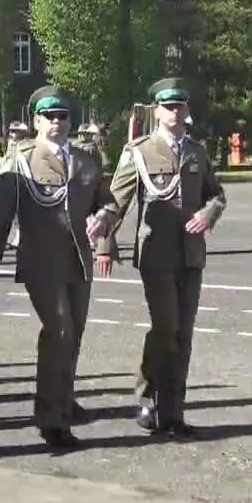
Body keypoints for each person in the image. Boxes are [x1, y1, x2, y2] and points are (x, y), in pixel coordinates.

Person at [0, 86, 114, 447]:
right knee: (59, 330)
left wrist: (103, 223)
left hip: (77, 260)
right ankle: (51, 418)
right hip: (41, 260)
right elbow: (2, 212)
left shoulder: (88, 158)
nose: (57, 122)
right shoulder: (22, 158)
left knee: (74, 335)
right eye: (49, 116)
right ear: (36, 121)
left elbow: (108, 202)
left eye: (63, 116)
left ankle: (61, 402)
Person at [94, 78, 226, 439]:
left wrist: (209, 213)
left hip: (191, 255)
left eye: (180, 105)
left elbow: (216, 194)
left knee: (183, 334)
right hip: (156, 254)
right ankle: (146, 392)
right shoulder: (139, 151)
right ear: (156, 111)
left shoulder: (197, 151)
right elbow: (116, 199)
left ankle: (173, 415)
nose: (175, 112)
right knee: (166, 327)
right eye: (168, 106)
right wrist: (104, 229)